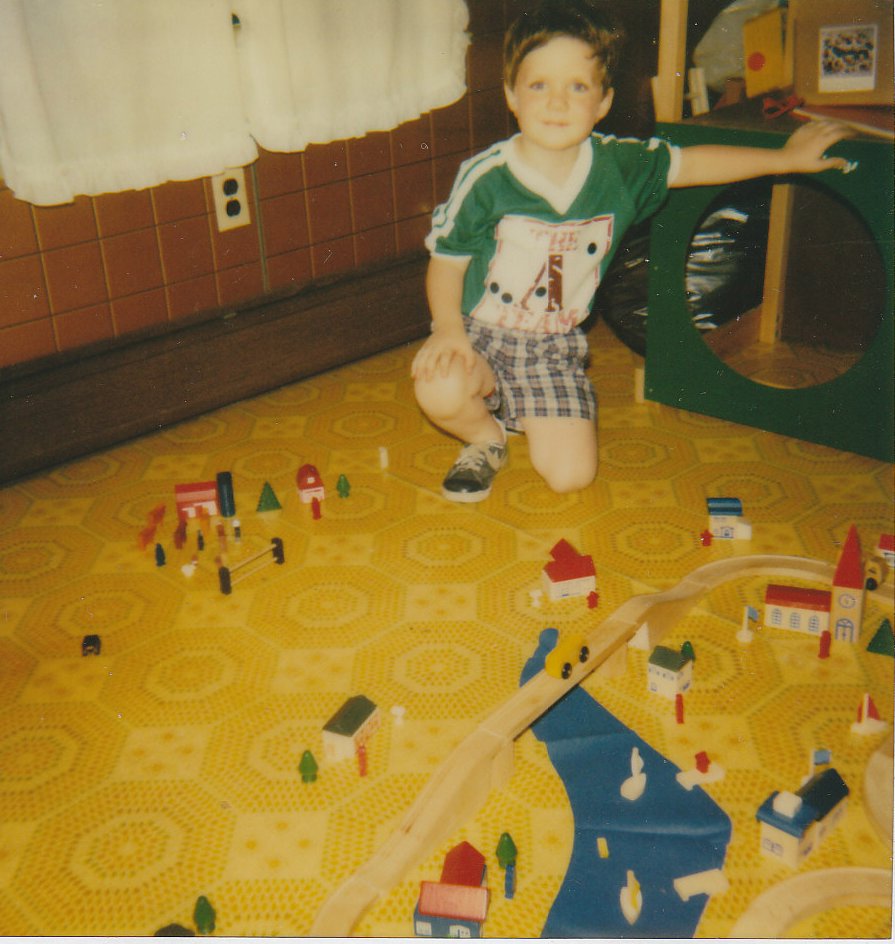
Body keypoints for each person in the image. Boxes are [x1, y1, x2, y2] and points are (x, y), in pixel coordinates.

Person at [412, 0, 850, 502]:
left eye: (578, 87)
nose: (557, 103)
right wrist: (448, 330)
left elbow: (694, 163)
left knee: (570, 476)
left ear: (603, 102)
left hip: (550, 346)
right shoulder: (486, 177)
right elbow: (447, 261)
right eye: (539, 86)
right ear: (512, 94)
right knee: (438, 387)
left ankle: (528, 405)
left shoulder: (620, 167)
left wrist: (785, 159)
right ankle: (486, 437)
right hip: (479, 333)